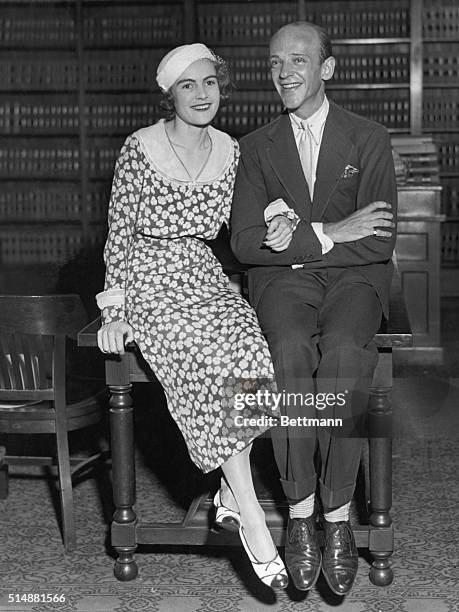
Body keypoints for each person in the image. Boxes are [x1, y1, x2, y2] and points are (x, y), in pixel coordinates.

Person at [95, 43, 288, 590]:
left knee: (251, 350)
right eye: (188, 86)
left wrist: (276, 216)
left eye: (210, 84)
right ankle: (251, 515)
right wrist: (115, 307)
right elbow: (120, 232)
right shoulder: (140, 148)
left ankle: (228, 493)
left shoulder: (231, 149)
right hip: (150, 280)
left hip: (205, 277)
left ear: (221, 88)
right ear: (169, 94)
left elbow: (250, 207)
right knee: (208, 358)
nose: (202, 95)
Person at [231, 22, 397, 596]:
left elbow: (378, 239)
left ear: (326, 69)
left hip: (356, 280)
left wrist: (302, 235)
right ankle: (300, 510)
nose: (284, 73)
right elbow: (247, 244)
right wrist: (329, 230)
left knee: (347, 355)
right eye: (275, 62)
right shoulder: (254, 147)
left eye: (298, 61)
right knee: (289, 352)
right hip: (282, 283)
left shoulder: (370, 137)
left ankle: (336, 514)